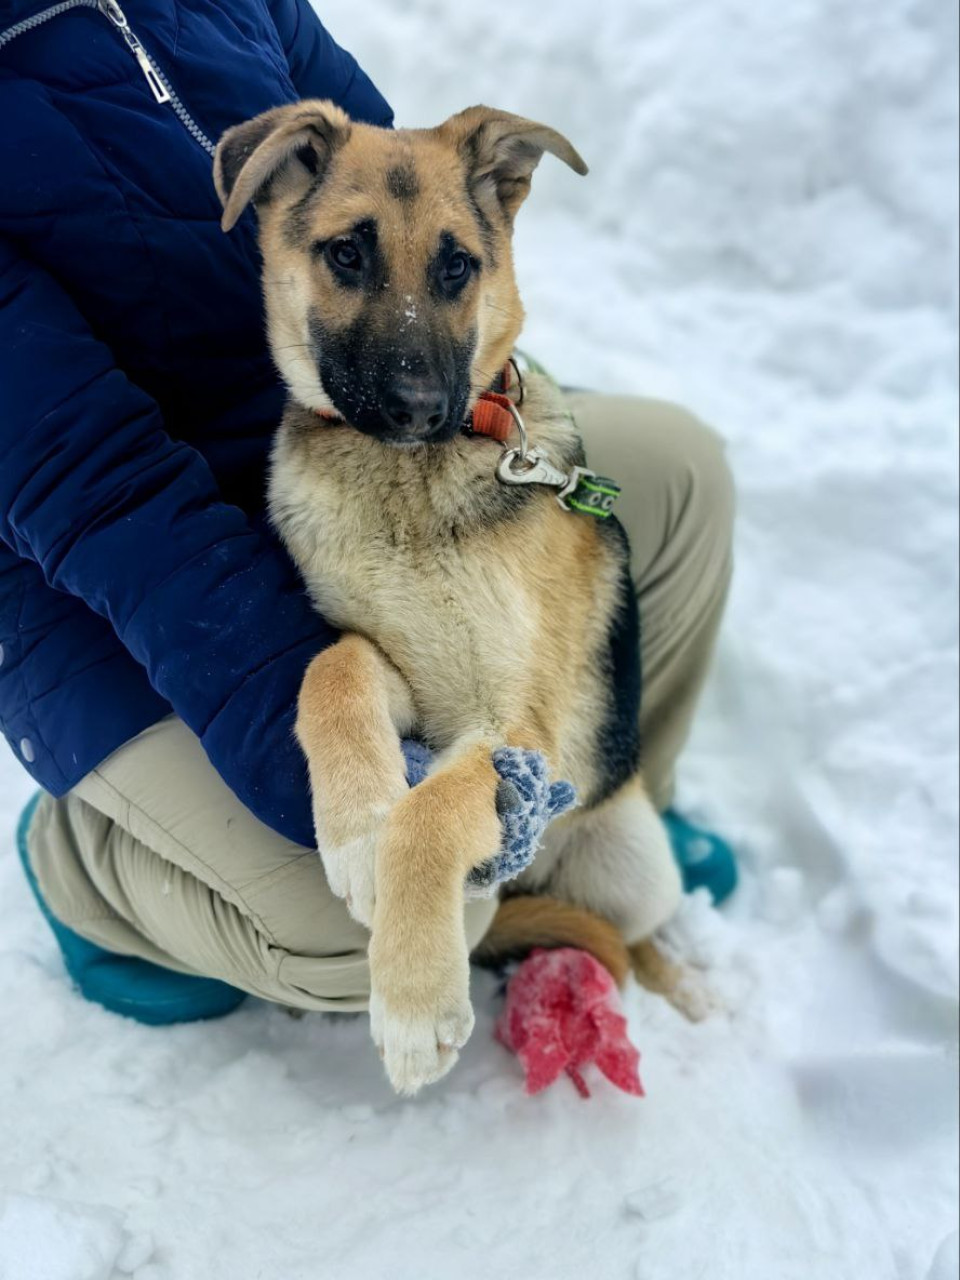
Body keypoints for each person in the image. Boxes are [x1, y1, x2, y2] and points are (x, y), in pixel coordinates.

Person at [1, 0, 736, 1025]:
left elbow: (409, 178)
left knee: (676, 475)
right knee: (374, 922)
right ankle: (91, 862)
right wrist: (337, 775)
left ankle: (585, 807)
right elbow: (98, 488)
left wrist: (501, 422)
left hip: (337, 453)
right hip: (117, 587)